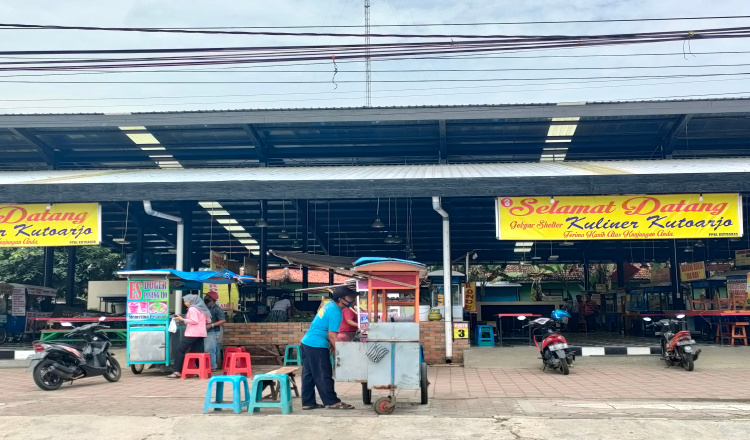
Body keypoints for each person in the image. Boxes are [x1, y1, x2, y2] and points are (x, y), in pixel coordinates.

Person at [300, 286, 357, 410]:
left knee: (308, 374)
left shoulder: (329, 305)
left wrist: (332, 345)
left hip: (307, 342)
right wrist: (340, 353)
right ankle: (332, 402)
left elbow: (327, 331)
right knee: (323, 373)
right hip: (316, 345)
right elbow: (332, 335)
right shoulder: (336, 311)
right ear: (341, 299)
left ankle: (308, 402)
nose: (353, 299)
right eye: (350, 297)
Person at [167, 294, 211, 378]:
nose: (185, 303)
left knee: (180, 350)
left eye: (186, 301)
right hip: (201, 333)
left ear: (191, 301)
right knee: (197, 352)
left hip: (192, 333)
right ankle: (201, 371)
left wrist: (182, 319)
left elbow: (194, 321)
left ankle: (177, 371)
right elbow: (208, 320)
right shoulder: (202, 308)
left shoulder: (192, 308)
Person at [203, 291, 226, 371]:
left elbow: (222, 320)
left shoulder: (217, 309)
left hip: (212, 331)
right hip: (204, 331)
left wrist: (211, 325)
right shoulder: (205, 306)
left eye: (207, 296)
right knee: (208, 349)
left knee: (209, 350)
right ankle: (208, 366)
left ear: (211, 298)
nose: (205, 297)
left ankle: (212, 367)